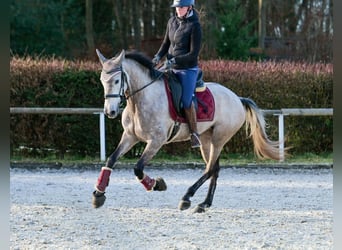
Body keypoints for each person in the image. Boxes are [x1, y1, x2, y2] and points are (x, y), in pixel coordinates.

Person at [152, 0, 202, 148]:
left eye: (181, 7)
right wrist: (157, 56)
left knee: (186, 101)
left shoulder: (195, 26)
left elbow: (193, 54)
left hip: (187, 69)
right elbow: (166, 44)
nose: (178, 10)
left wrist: (174, 60)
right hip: (169, 66)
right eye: (177, 7)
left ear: (189, 7)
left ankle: (194, 134)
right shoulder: (171, 21)